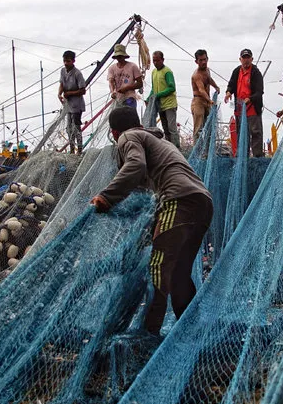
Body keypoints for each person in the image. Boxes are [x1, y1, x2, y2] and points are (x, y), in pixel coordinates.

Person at [90, 107, 213, 335]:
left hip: (179, 200)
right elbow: (144, 186)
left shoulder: (128, 137)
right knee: (178, 273)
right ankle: (190, 329)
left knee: (158, 266)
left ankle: (148, 333)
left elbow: (135, 166)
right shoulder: (161, 142)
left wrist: (106, 197)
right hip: (202, 204)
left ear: (115, 133)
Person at [224, 49, 264, 157]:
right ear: (240, 59)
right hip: (240, 108)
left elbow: (260, 91)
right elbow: (231, 84)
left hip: (252, 108)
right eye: (244, 58)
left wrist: (250, 98)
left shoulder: (256, 72)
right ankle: (242, 156)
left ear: (252, 59)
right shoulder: (237, 71)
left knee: (255, 132)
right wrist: (228, 92)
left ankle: (257, 156)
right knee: (241, 134)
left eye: (248, 58)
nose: (246, 60)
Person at [148, 51, 180, 148]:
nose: (155, 63)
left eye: (157, 60)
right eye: (154, 61)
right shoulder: (154, 72)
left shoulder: (167, 72)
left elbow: (172, 88)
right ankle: (170, 148)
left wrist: (158, 95)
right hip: (160, 105)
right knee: (165, 129)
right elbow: (153, 88)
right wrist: (149, 98)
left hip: (169, 104)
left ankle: (177, 148)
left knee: (172, 128)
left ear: (162, 60)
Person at [58, 50, 86, 154]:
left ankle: (79, 149)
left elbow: (83, 90)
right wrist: (59, 94)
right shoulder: (62, 71)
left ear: (73, 61)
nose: (66, 63)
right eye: (64, 61)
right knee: (69, 128)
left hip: (76, 105)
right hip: (68, 105)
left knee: (76, 127)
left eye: (68, 61)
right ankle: (71, 149)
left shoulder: (77, 73)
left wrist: (70, 93)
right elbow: (61, 84)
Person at [191, 49, 220, 140]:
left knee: (209, 128)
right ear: (196, 61)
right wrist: (210, 100)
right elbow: (201, 90)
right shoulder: (196, 75)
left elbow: (209, 79)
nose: (203, 62)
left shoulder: (207, 70)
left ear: (207, 59)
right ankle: (197, 152)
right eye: (201, 60)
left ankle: (207, 152)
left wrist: (216, 86)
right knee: (198, 129)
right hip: (198, 101)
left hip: (207, 101)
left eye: (205, 59)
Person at [107, 44, 143, 109]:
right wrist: (113, 92)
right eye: (117, 56)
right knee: (118, 117)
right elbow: (111, 81)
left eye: (120, 56)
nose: (119, 58)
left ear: (124, 56)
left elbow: (140, 84)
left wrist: (127, 88)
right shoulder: (112, 68)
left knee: (129, 116)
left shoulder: (132, 66)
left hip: (129, 98)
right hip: (118, 99)